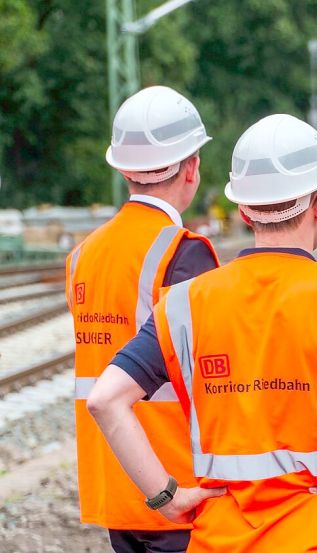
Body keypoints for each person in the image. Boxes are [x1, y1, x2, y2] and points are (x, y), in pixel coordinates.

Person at [86, 114, 317, 552]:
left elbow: (105, 400)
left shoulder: (183, 304)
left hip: (221, 541)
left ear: (243, 211)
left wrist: (167, 499)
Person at [67, 85, 219, 552]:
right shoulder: (183, 253)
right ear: (191, 168)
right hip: (176, 485)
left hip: (117, 482)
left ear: (122, 169)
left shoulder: (82, 254)